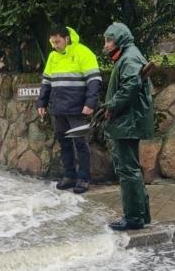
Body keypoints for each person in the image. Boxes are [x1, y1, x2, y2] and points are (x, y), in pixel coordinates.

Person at [36, 26, 102, 194]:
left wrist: (90, 103)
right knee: (64, 143)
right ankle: (69, 176)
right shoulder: (52, 57)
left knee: (81, 144)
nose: (55, 45)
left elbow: (94, 80)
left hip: (78, 108)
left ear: (66, 38)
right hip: (59, 109)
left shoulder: (83, 52)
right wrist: (41, 103)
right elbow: (46, 82)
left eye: (57, 41)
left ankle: (83, 179)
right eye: (52, 42)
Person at [102, 22, 153, 231]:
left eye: (109, 40)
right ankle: (142, 215)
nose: (105, 45)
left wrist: (111, 106)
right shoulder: (128, 55)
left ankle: (133, 218)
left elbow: (131, 85)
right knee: (130, 168)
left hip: (128, 121)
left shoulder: (129, 57)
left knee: (127, 169)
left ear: (120, 40)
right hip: (128, 121)